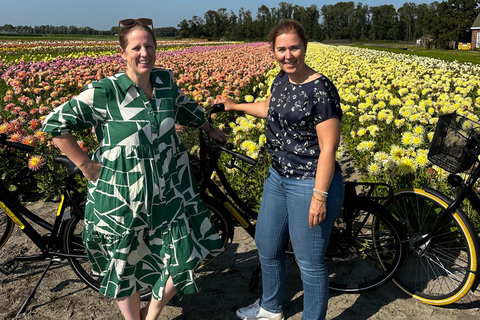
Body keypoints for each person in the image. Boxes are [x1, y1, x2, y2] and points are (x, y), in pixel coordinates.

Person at [41, 18, 225, 320]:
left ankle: (151, 314)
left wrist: (208, 126)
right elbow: (55, 123)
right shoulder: (106, 91)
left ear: (156, 49)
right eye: (136, 47)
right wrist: (86, 164)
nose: (144, 53)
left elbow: (182, 104)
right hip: (122, 196)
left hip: (170, 189)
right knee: (124, 263)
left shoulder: (165, 81)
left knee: (185, 254)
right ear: (123, 53)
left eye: (149, 46)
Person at [217, 19, 344, 320]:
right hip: (278, 177)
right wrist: (235, 106)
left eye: (294, 48)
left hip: (309, 182)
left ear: (305, 47)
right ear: (273, 51)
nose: (288, 55)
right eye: (281, 49)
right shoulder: (281, 80)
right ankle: (270, 308)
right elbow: (269, 108)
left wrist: (320, 196)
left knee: (309, 261)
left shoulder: (321, 89)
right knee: (266, 244)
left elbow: (328, 148)